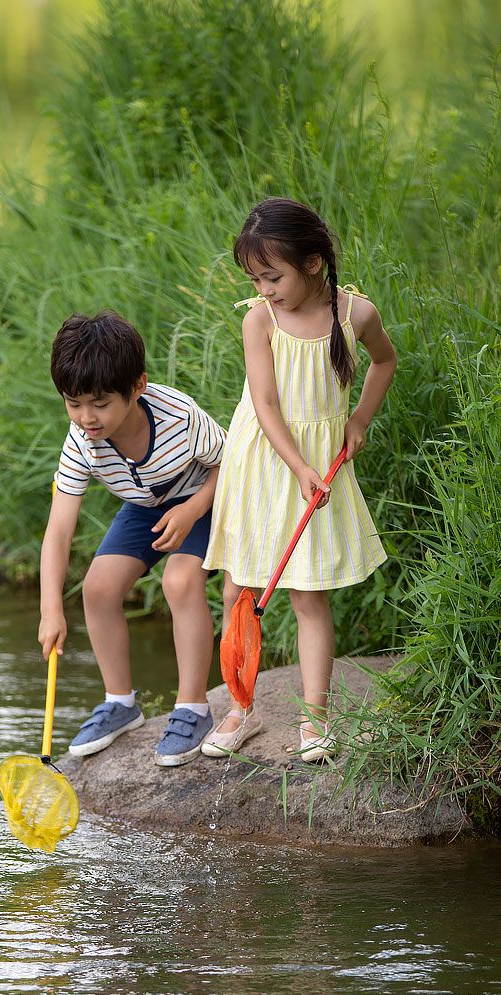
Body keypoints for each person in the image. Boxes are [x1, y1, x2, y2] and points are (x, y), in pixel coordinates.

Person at [201, 198, 396, 763]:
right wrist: (299, 467)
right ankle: (241, 710)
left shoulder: (356, 315)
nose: (264, 288)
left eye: (273, 276)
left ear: (312, 264)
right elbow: (264, 405)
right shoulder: (259, 319)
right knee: (239, 588)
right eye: (255, 278)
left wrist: (359, 419)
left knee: (306, 591)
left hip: (317, 465)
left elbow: (385, 362)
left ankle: (316, 719)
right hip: (265, 459)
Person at [39, 311, 225, 766]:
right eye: (73, 403)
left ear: (137, 386)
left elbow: (235, 463)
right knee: (99, 588)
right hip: (145, 506)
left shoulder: (179, 417)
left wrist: (193, 509)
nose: (86, 417)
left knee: (179, 583)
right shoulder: (82, 440)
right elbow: (59, 529)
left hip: (204, 495)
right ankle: (121, 703)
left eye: (99, 403)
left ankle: (192, 707)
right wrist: (50, 610)